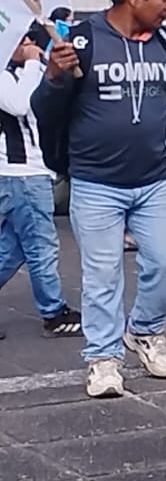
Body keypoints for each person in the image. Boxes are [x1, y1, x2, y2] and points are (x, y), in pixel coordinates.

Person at [33, 0, 166, 398]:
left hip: (152, 180)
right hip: (94, 182)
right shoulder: (84, 42)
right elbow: (43, 109)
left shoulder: (165, 43)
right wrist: (55, 76)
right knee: (103, 273)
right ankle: (103, 358)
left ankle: (145, 331)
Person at [0, 27, 81, 340]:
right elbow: (22, 105)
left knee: (12, 249)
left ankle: (53, 309)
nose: (31, 45)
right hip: (22, 173)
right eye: (25, 41)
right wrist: (35, 64)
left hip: (28, 173)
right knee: (40, 247)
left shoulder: (18, 72)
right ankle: (53, 313)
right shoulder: (8, 75)